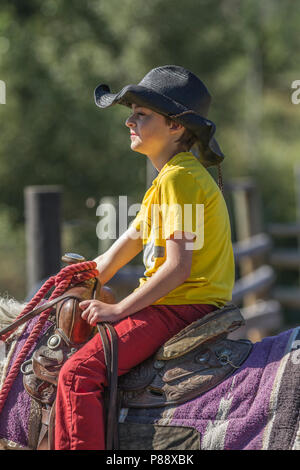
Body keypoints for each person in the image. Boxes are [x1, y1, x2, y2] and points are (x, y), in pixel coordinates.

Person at [54, 65, 235, 450]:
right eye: (131, 112)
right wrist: (78, 276)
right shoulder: (170, 180)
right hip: (182, 304)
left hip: (179, 306)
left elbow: (177, 267)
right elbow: (113, 257)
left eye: (142, 114)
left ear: (176, 127)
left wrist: (118, 311)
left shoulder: (179, 180)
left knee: (76, 375)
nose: (128, 121)